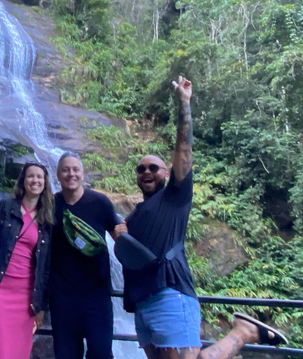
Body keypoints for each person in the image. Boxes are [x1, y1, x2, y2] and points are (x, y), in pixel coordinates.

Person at [118, 76, 288, 359]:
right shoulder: (133, 216)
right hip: (141, 302)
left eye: (154, 167)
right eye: (140, 169)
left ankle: (242, 332)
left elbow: (184, 149)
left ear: (168, 173)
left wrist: (184, 103)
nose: (146, 172)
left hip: (170, 293)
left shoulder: (175, 196)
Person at [0, 162, 55, 359]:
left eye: (39, 177)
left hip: (27, 298)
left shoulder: (47, 220)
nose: (35, 180)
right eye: (30, 176)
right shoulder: (5, 207)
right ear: (23, 181)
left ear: (45, 183)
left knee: (20, 353)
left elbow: (45, 267)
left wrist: (41, 306)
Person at [48, 152, 123, 359]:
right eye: (65, 169)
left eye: (75, 169)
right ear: (58, 174)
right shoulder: (50, 205)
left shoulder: (100, 202)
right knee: (65, 354)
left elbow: (119, 236)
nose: (71, 174)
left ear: (82, 173)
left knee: (100, 353)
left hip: (96, 296)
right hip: (62, 296)